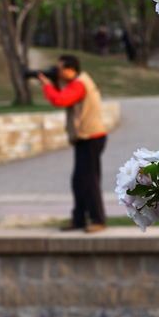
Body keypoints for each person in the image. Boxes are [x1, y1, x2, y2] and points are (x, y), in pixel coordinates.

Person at [38, 54, 107, 232]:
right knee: (79, 181)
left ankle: (98, 219)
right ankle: (79, 219)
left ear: (71, 70)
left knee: (89, 180)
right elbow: (63, 94)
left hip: (91, 137)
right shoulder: (77, 82)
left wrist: (46, 85)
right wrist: (53, 83)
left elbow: (60, 99)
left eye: (60, 69)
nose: (58, 73)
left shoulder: (79, 84)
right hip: (85, 137)